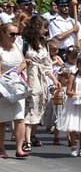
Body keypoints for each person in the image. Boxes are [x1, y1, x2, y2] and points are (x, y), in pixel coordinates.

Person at [22, 15, 61, 152]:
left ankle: (32, 135)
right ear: (37, 27)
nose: (46, 31)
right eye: (44, 28)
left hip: (41, 79)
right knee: (30, 106)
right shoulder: (24, 41)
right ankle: (25, 140)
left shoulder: (44, 43)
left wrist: (54, 79)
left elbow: (46, 65)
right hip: (29, 76)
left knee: (40, 105)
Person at [0, 23, 28, 158]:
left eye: (17, 34)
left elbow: (23, 62)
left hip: (17, 87)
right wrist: (8, 79)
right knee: (1, 121)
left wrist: (18, 70)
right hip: (3, 88)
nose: (15, 37)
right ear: (3, 34)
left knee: (19, 118)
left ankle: (19, 148)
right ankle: (1, 149)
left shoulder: (16, 46)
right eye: (12, 34)